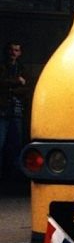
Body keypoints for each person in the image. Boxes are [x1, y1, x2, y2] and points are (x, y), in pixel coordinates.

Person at [0, 41, 29, 184]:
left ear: (20, 53)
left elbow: (26, 89)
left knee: (17, 145)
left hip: (17, 112)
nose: (13, 52)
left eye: (16, 50)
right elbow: (1, 83)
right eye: (11, 50)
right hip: (3, 111)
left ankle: (15, 178)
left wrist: (10, 87)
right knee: (1, 143)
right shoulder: (3, 66)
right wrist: (17, 81)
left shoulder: (22, 68)